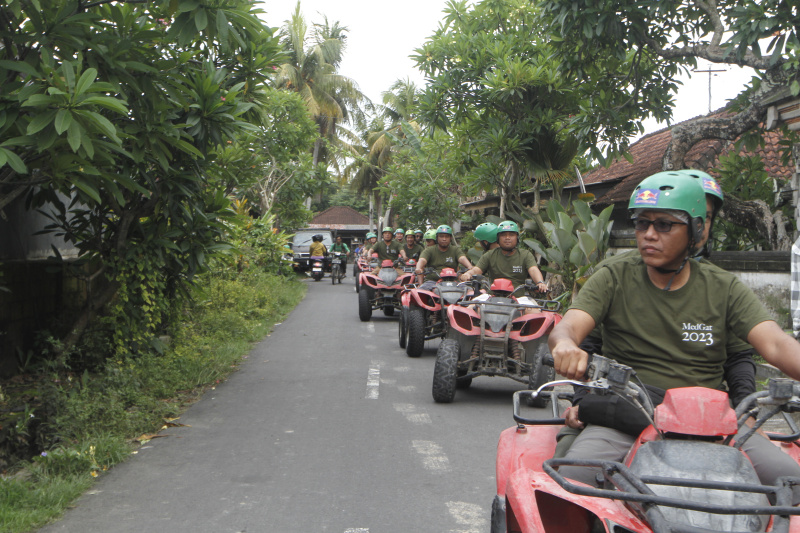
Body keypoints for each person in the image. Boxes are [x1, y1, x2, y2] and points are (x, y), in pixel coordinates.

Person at [547, 171, 800, 498]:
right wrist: (565, 344)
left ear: (696, 230)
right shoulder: (614, 275)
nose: (649, 235)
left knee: (791, 483)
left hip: (711, 422)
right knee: (572, 484)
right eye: (642, 224)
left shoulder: (724, 287)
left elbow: (776, 343)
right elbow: (570, 325)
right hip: (626, 415)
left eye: (664, 225)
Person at [460, 220, 546, 291]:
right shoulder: (490, 254)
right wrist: (468, 274)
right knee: (472, 308)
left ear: (517, 238)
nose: (507, 238)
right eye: (503, 235)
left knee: (535, 311)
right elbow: (476, 270)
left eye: (511, 235)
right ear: (498, 238)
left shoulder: (525, 254)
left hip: (519, 300)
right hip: (492, 297)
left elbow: (534, 269)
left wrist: (540, 282)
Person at [415, 225, 472, 289]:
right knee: (422, 291)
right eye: (441, 236)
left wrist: (470, 267)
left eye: (447, 236)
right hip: (433, 281)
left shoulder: (455, 250)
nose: (444, 239)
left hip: (453, 281)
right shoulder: (429, 250)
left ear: (450, 238)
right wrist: (418, 268)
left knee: (469, 291)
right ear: (437, 238)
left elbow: (462, 258)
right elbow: (422, 260)